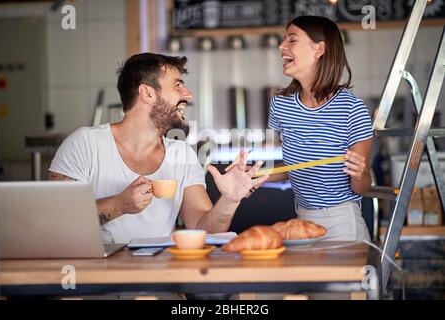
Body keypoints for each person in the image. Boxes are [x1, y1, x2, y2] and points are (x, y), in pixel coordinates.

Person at [49, 53, 268, 244]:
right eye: (177, 85)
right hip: (94, 281)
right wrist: (120, 205)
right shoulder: (85, 144)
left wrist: (229, 200)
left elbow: (204, 231)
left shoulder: (181, 154)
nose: (188, 95)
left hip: (160, 279)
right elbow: (56, 222)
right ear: (148, 93)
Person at [267, 16, 373, 241]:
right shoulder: (281, 105)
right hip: (300, 222)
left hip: (342, 223)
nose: (281, 46)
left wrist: (359, 172)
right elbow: (293, 166)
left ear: (319, 49)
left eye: (292, 40)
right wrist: (254, 175)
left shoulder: (351, 108)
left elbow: (363, 187)